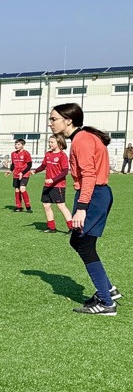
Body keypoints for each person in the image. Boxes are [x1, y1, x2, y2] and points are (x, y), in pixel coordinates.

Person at [49, 102, 121, 315]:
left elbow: (89, 175)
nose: (50, 123)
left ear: (68, 120)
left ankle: (107, 303)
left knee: (85, 246)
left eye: (54, 119)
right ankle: (108, 289)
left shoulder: (82, 139)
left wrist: (81, 208)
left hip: (94, 195)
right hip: (93, 194)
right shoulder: (81, 137)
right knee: (77, 240)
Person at [33, 134, 72, 232]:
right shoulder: (48, 154)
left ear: (59, 143)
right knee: (46, 205)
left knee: (61, 206)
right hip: (47, 185)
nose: (50, 144)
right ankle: (51, 227)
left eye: (52, 142)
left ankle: (72, 228)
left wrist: (53, 180)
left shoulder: (62, 156)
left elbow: (65, 171)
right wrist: (35, 171)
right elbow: (43, 166)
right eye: (49, 142)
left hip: (58, 185)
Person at [8, 138, 33, 212]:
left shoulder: (26, 153)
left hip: (24, 174)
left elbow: (29, 165)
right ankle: (18, 207)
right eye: (15, 144)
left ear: (23, 145)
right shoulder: (13, 154)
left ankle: (28, 207)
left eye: (18, 144)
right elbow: (13, 164)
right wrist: (10, 171)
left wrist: (22, 172)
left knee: (22, 189)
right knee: (17, 189)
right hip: (16, 174)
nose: (16, 145)